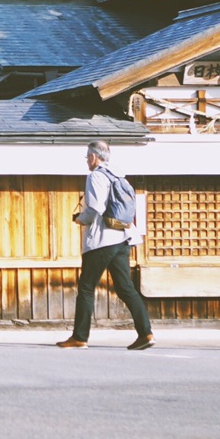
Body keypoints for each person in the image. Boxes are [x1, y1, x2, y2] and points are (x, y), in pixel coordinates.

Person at [58, 140, 154, 350]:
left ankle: (80, 337)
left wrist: (80, 219)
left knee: (86, 288)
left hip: (103, 239)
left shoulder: (96, 176)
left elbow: (95, 208)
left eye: (87, 157)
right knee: (126, 287)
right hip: (123, 236)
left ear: (93, 157)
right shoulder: (120, 176)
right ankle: (146, 334)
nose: (87, 161)